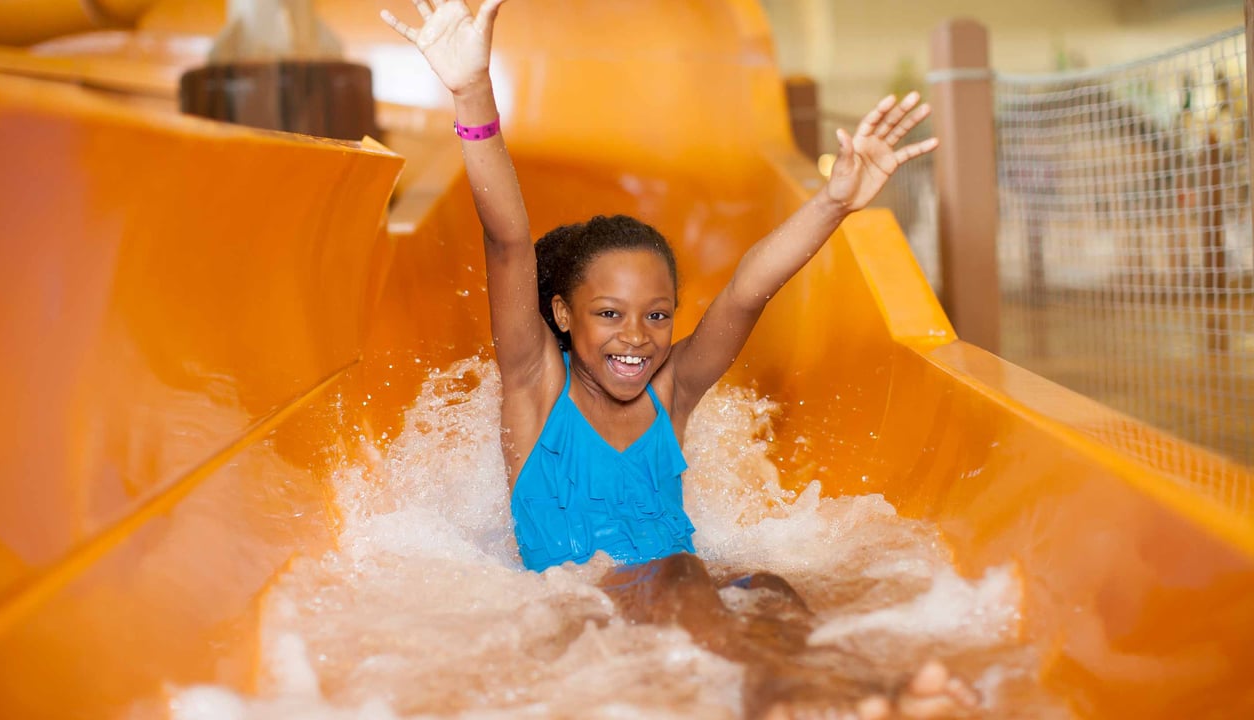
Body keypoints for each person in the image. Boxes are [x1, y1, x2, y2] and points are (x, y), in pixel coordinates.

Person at [382, 2, 976, 717]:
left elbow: (749, 292)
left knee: (766, 586)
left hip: (677, 595)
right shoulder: (536, 384)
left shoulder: (673, 392)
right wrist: (471, 90)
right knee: (682, 576)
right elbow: (508, 239)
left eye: (657, 316)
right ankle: (788, 699)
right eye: (609, 315)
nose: (637, 336)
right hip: (585, 610)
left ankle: (860, 692)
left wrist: (835, 200)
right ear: (564, 317)